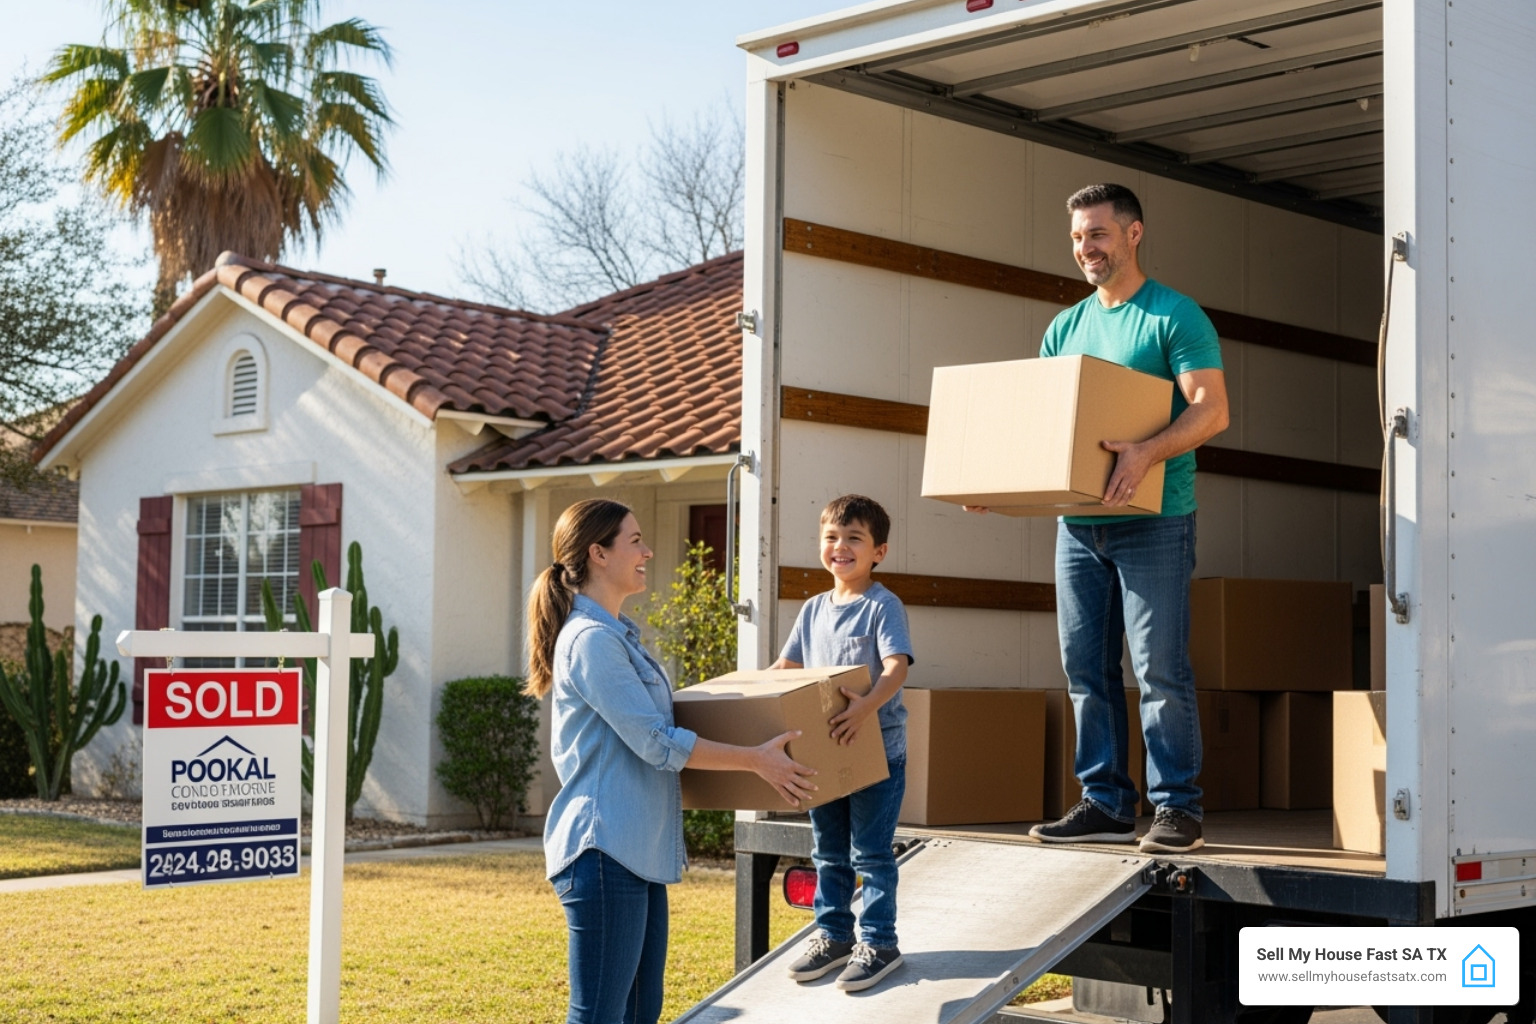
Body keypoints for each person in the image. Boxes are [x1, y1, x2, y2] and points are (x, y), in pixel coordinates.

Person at [973, 183, 1228, 855]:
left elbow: (1211, 410)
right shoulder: (1065, 327)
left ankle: (1177, 808)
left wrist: (1146, 452)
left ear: (1134, 234)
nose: (1086, 248)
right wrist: (994, 484)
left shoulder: (1174, 317)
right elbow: (1045, 429)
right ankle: (1106, 801)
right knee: (1085, 667)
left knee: (1158, 668)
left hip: (1156, 520)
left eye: (1098, 234)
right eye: (1079, 238)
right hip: (1078, 526)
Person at [529, 498, 817, 1024]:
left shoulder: (620, 637)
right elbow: (656, 742)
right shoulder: (592, 642)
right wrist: (755, 760)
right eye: (634, 540)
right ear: (598, 553)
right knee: (598, 1015)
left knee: (642, 1011)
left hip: (634, 853)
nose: (648, 550)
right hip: (602, 851)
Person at [771, 494, 915, 992]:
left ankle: (879, 942)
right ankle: (832, 935)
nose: (841, 547)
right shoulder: (812, 610)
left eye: (854, 538)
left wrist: (867, 705)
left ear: (880, 551)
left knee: (871, 853)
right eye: (831, 537)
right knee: (828, 852)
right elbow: (783, 670)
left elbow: (896, 667)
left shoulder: (882, 605)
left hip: (877, 751)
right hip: (825, 753)